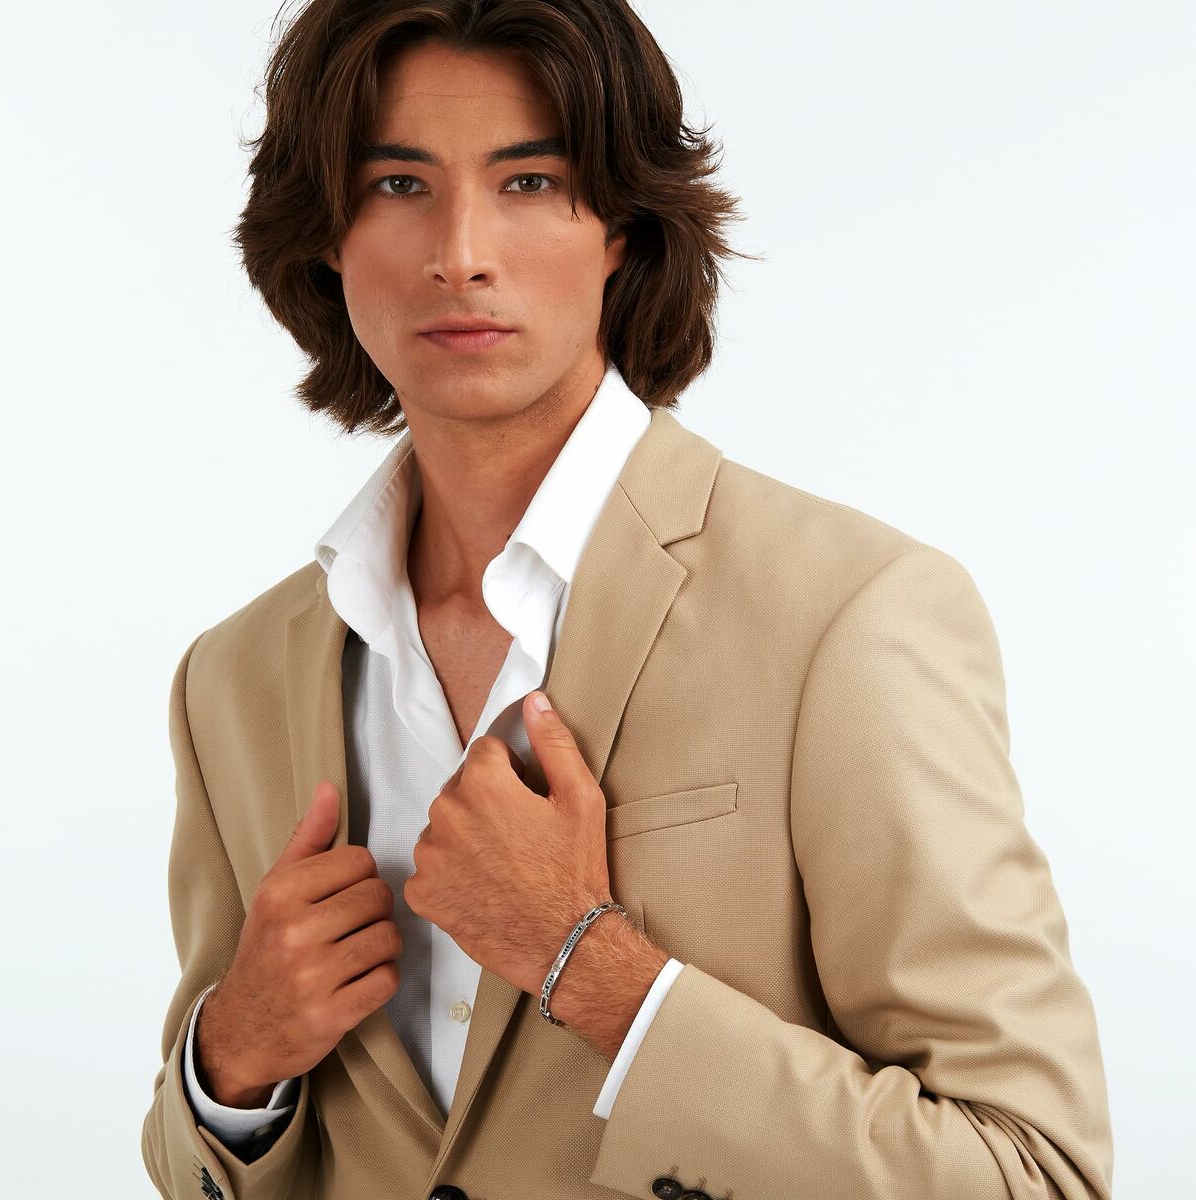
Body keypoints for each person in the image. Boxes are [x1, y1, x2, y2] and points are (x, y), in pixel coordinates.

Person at [140, 2, 1114, 1199]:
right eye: (398, 184)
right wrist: (230, 1063)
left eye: (531, 182)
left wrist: (593, 970)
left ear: (623, 229)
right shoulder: (232, 680)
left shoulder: (850, 617)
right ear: (327, 234)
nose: (460, 252)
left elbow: (1031, 1171)